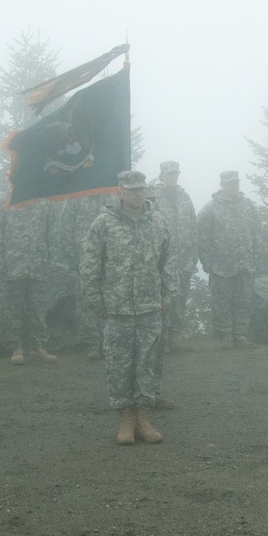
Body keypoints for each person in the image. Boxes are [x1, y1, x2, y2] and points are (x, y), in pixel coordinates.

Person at [80, 170, 177, 444]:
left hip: (150, 308)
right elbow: (89, 266)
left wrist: (167, 298)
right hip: (117, 309)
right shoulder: (104, 224)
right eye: (132, 189)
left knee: (146, 363)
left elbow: (169, 261)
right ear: (119, 191)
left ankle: (144, 418)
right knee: (119, 365)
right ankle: (125, 419)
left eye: (141, 188)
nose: (137, 193)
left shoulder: (158, 221)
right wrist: (97, 302)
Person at [0, 196, 60, 365]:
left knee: (38, 307)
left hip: (38, 263)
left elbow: (53, 232)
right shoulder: (3, 201)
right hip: (12, 264)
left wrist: (52, 260)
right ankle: (16, 347)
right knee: (13, 308)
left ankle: (38, 347)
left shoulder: (45, 202)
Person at [196, 170, 259, 349]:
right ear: (222, 185)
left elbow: (256, 232)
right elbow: (201, 237)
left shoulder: (248, 206)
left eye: (236, 182)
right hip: (220, 267)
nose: (235, 186)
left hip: (244, 264)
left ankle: (240, 336)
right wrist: (207, 263)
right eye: (231, 183)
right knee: (221, 303)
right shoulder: (211, 208)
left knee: (243, 301)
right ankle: (225, 337)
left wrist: (255, 257)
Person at [150, 161, 197, 353]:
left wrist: (194, 254)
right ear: (161, 174)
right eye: (169, 174)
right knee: (160, 298)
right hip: (160, 259)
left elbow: (194, 227)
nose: (172, 177)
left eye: (175, 174)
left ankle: (174, 338)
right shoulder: (151, 196)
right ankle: (158, 340)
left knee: (180, 298)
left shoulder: (184, 197)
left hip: (184, 259)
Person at [58, 192, 109, 358]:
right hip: (83, 256)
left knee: (112, 298)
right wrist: (70, 255)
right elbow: (64, 226)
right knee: (86, 298)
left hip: (111, 257)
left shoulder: (113, 196)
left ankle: (110, 342)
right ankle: (92, 344)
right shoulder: (76, 197)